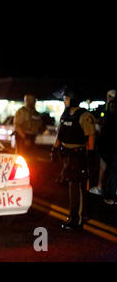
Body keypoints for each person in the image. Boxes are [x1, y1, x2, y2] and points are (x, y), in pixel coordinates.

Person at [51, 87, 96, 230]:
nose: (64, 101)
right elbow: (60, 133)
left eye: (66, 98)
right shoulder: (65, 114)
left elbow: (91, 136)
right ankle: (73, 216)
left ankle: (79, 219)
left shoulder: (84, 115)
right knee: (72, 185)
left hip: (79, 154)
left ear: (73, 99)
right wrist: (55, 148)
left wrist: (90, 155)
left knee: (81, 187)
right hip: (68, 155)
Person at [89, 89, 116, 196]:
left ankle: (102, 188)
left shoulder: (110, 107)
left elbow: (106, 124)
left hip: (109, 143)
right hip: (108, 142)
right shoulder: (107, 108)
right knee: (109, 167)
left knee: (105, 166)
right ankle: (105, 188)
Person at [97, 99, 117, 205]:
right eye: (111, 106)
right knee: (109, 172)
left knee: (112, 173)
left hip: (112, 150)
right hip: (108, 149)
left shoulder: (109, 119)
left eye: (114, 106)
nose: (113, 108)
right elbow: (103, 135)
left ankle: (112, 197)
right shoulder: (107, 118)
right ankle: (110, 194)